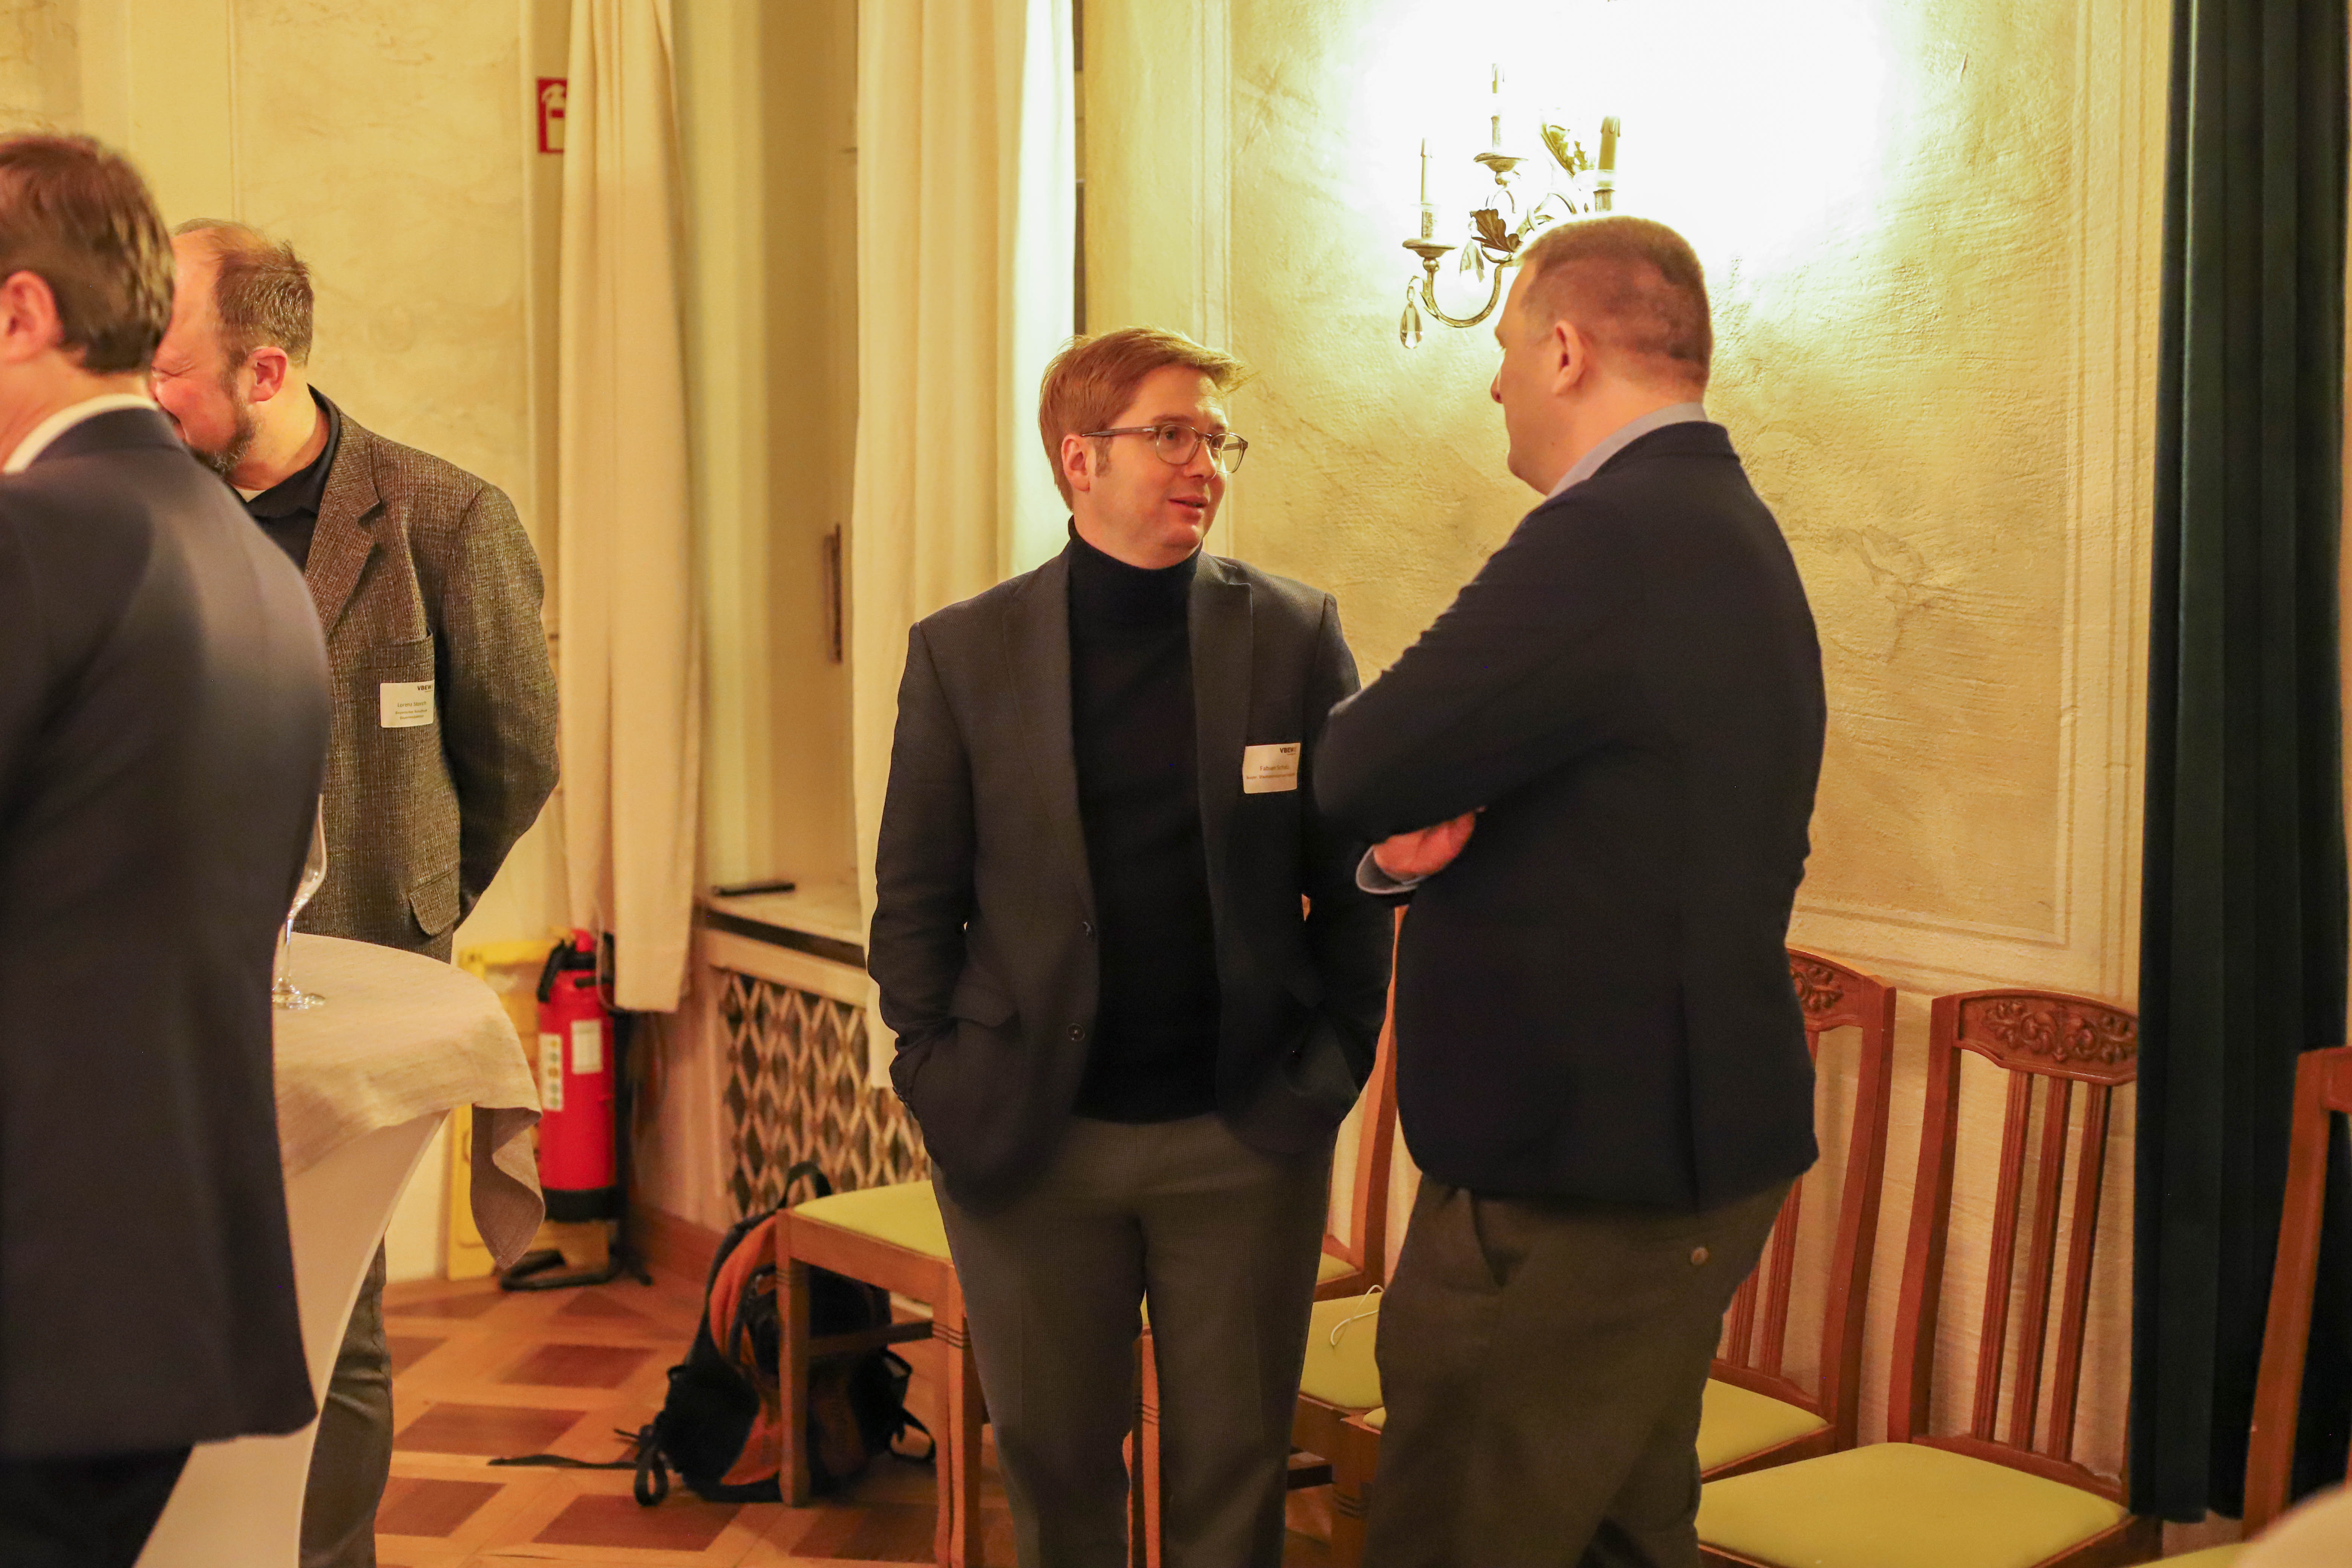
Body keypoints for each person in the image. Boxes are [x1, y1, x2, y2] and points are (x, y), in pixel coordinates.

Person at [1316, 215, 1827, 1567]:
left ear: (1562, 349)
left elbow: (1361, 760)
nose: (1494, 384)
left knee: (1460, 1528)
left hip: (1581, 1163)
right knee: (1620, 1530)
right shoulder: (1729, 526)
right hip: (1683, 1140)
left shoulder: (1609, 533)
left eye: (1503, 349)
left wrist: (1399, 820)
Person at [870, 326, 1392, 1567]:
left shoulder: (1293, 634)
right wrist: (938, 1072)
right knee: (1054, 1460)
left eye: (1216, 440)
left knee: (1233, 1463)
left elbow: (1351, 880)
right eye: (1171, 435)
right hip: (1032, 1140)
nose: (1203, 465)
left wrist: (1331, 1066)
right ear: (1080, 458)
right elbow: (915, 896)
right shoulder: (966, 652)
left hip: (1243, 1134)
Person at [150, 222, 559, 1568]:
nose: (141, 391)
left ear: (265, 371)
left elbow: (513, 756)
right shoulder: (139, 510)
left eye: (165, 365)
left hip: (348, 975)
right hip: (153, 983)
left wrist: (407, 916)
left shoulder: (445, 518)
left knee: (337, 1306)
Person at [0, 134, 331, 1568]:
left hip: (34, 1283)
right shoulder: (250, 558)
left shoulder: (35, 537)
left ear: (21, 312)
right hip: (163, 1278)